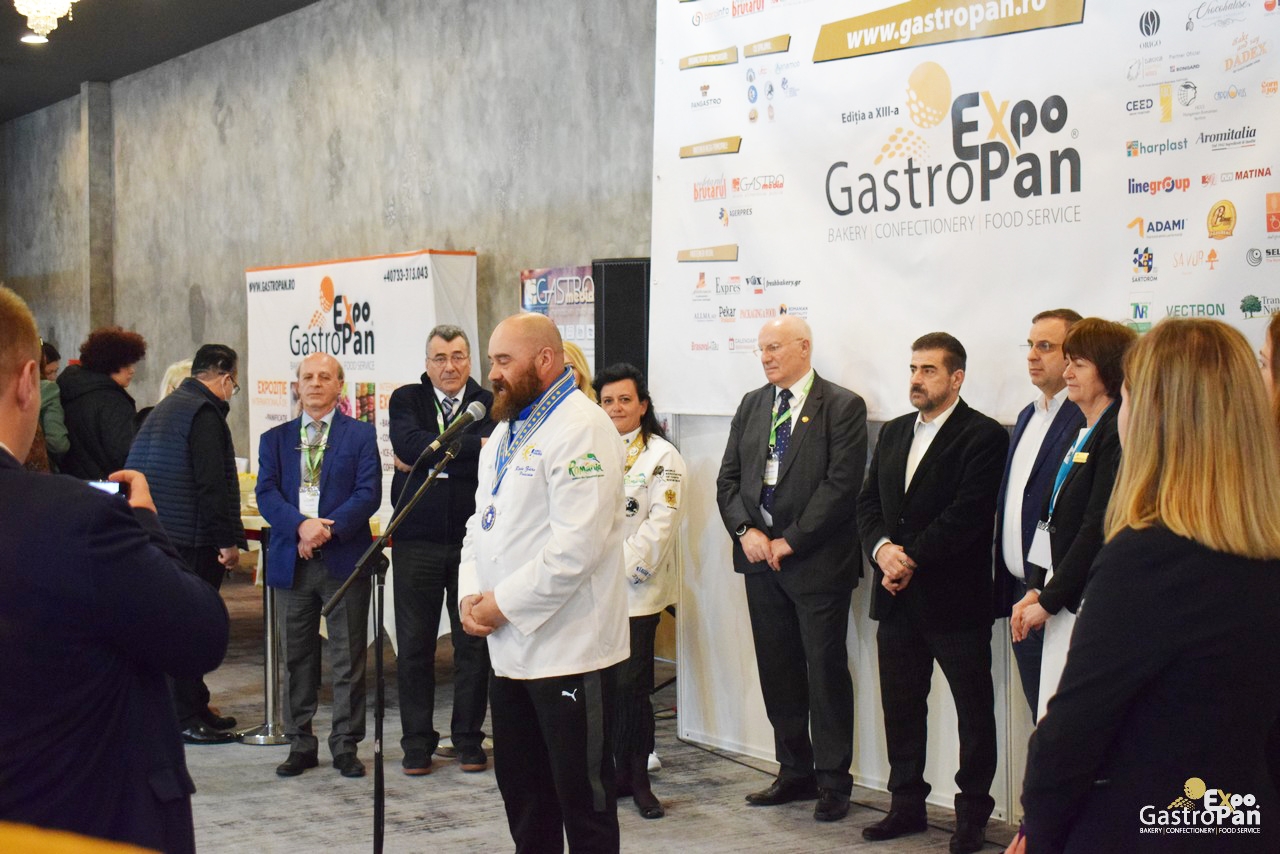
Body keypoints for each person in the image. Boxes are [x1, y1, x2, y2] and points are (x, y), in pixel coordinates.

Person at [1022, 318, 1280, 853]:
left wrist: (1038, 833)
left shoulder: (1148, 558)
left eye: (1130, 395)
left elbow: (1072, 734)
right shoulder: (1263, 548)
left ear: (1154, 417)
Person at [0, 286, 229, 854]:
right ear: (28, 382)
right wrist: (147, 524)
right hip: (75, 821)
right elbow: (198, 635)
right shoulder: (74, 518)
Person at [459, 312, 629, 852]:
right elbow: (480, 524)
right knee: (524, 796)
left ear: (546, 360)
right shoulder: (504, 431)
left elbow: (576, 549)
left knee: (583, 800)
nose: (492, 373)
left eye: (503, 361)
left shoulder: (583, 427)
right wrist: (469, 592)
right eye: (492, 361)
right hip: (508, 651)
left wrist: (500, 604)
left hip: (570, 650)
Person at [855, 332, 1008, 854]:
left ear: (956, 378)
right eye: (913, 369)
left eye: (929, 370)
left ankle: (972, 816)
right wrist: (882, 552)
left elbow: (968, 515)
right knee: (901, 709)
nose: (916, 379)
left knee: (973, 712)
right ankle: (906, 805)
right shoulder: (895, 431)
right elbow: (868, 504)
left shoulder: (983, 435)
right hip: (895, 598)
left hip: (955, 601)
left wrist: (909, 559)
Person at [715, 315, 867, 823]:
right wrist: (746, 532)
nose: (766, 357)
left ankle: (833, 781)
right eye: (761, 349)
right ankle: (794, 769)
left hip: (816, 563)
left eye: (775, 348)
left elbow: (841, 486)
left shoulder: (841, 405)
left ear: (804, 347)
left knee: (824, 673)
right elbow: (728, 480)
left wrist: (791, 540)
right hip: (760, 561)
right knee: (777, 670)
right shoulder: (753, 404)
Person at [256, 351, 382, 778]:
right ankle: (300, 743)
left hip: (342, 559)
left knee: (348, 657)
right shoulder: (274, 439)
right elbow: (267, 494)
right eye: (307, 377)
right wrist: (301, 527)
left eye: (324, 377)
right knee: (297, 658)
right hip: (292, 560)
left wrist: (324, 531)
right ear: (297, 385)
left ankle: (345, 744)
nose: (314, 383)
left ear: (339, 385)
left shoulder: (360, 435)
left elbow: (368, 493)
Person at [1011, 319, 1135, 720]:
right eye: (1067, 363)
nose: (1067, 374)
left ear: (1108, 370)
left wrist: (1049, 598)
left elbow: (1095, 526)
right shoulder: (1080, 429)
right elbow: (1050, 517)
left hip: (1083, 604)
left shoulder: (1115, 433)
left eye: (1078, 364)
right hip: (1056, 598)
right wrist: (1035, 586)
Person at [126, 344, 248, 745]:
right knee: (189, 628)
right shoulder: (204, 414)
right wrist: (226, 542)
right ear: (225, 377)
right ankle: (184, 717)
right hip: (192, 539)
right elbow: (211, 483)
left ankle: (195, 707)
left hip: (159, 532)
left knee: (176, 623)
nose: (232, 391)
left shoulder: (166, 408)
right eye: (234, 383)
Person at [388, 324, 495, 776]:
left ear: (469, 360)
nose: (449, 366)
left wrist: (434, 454)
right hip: (417, 540)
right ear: (427, 364)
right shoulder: (407, 399)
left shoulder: (490, 402)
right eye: (440, 358)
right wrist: (475, 446)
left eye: (457, 356)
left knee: (473, 645)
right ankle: (416, 743)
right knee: (414, 647)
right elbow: (408, 445)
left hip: (474, 543)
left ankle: (468, 739)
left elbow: (494, 453)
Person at [594, 362, 687, 820]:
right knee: (604, 690)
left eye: (625, 400)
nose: (616, 408)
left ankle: (639, 779)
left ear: (643, 405)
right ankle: (614, 775)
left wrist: (619, 571)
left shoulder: (662, 457)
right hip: (592, 592)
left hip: (636, 590)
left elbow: (660, 526)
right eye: (607, 400)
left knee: (632, 688)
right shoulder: (588, 451)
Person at [992, 309, 1083, 720]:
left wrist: (1047, 590)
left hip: (1060, 597)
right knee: (1040, 720)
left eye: (1045, 346)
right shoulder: (1028, 415)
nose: (1032, 355)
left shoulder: (1085, 417)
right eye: (1030, 345)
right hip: (1021, 592)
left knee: (1068, 725)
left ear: (1073, 355)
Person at [58, 326, 146, 479]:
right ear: (109, 363)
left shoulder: (69, 389)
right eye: (126, 365)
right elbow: (124, 453)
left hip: (71, 483)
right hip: (107, 485)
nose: (132, 370)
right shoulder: (113, 401)